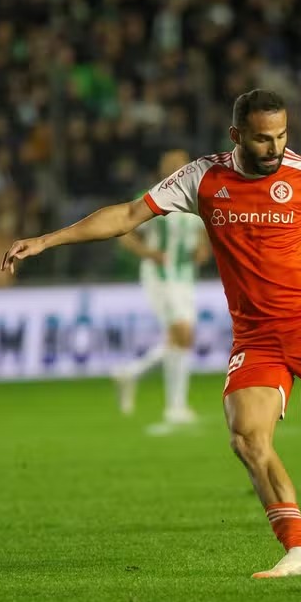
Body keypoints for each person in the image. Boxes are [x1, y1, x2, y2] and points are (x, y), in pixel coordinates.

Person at [3, 89, 301, 578]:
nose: (274, 148)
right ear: (236, 135)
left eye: (282, 136)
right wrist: (46, 240)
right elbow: (128, 215)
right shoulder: (204, 177)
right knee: (247, 439)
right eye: (263, 139)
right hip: (257, 338)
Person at [113, 149, 210, 427]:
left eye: (182, 165)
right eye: (172, 165)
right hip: (160, 276)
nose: (178, 170)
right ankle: (167, 401)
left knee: (183, 340)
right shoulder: (151, 198)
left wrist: (203, 251)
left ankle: (145, 383)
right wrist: (149, 253)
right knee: (182, 333)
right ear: (163, 169)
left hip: (184, 277)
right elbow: (125, 234)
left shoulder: (196, 201)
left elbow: (204, 234)